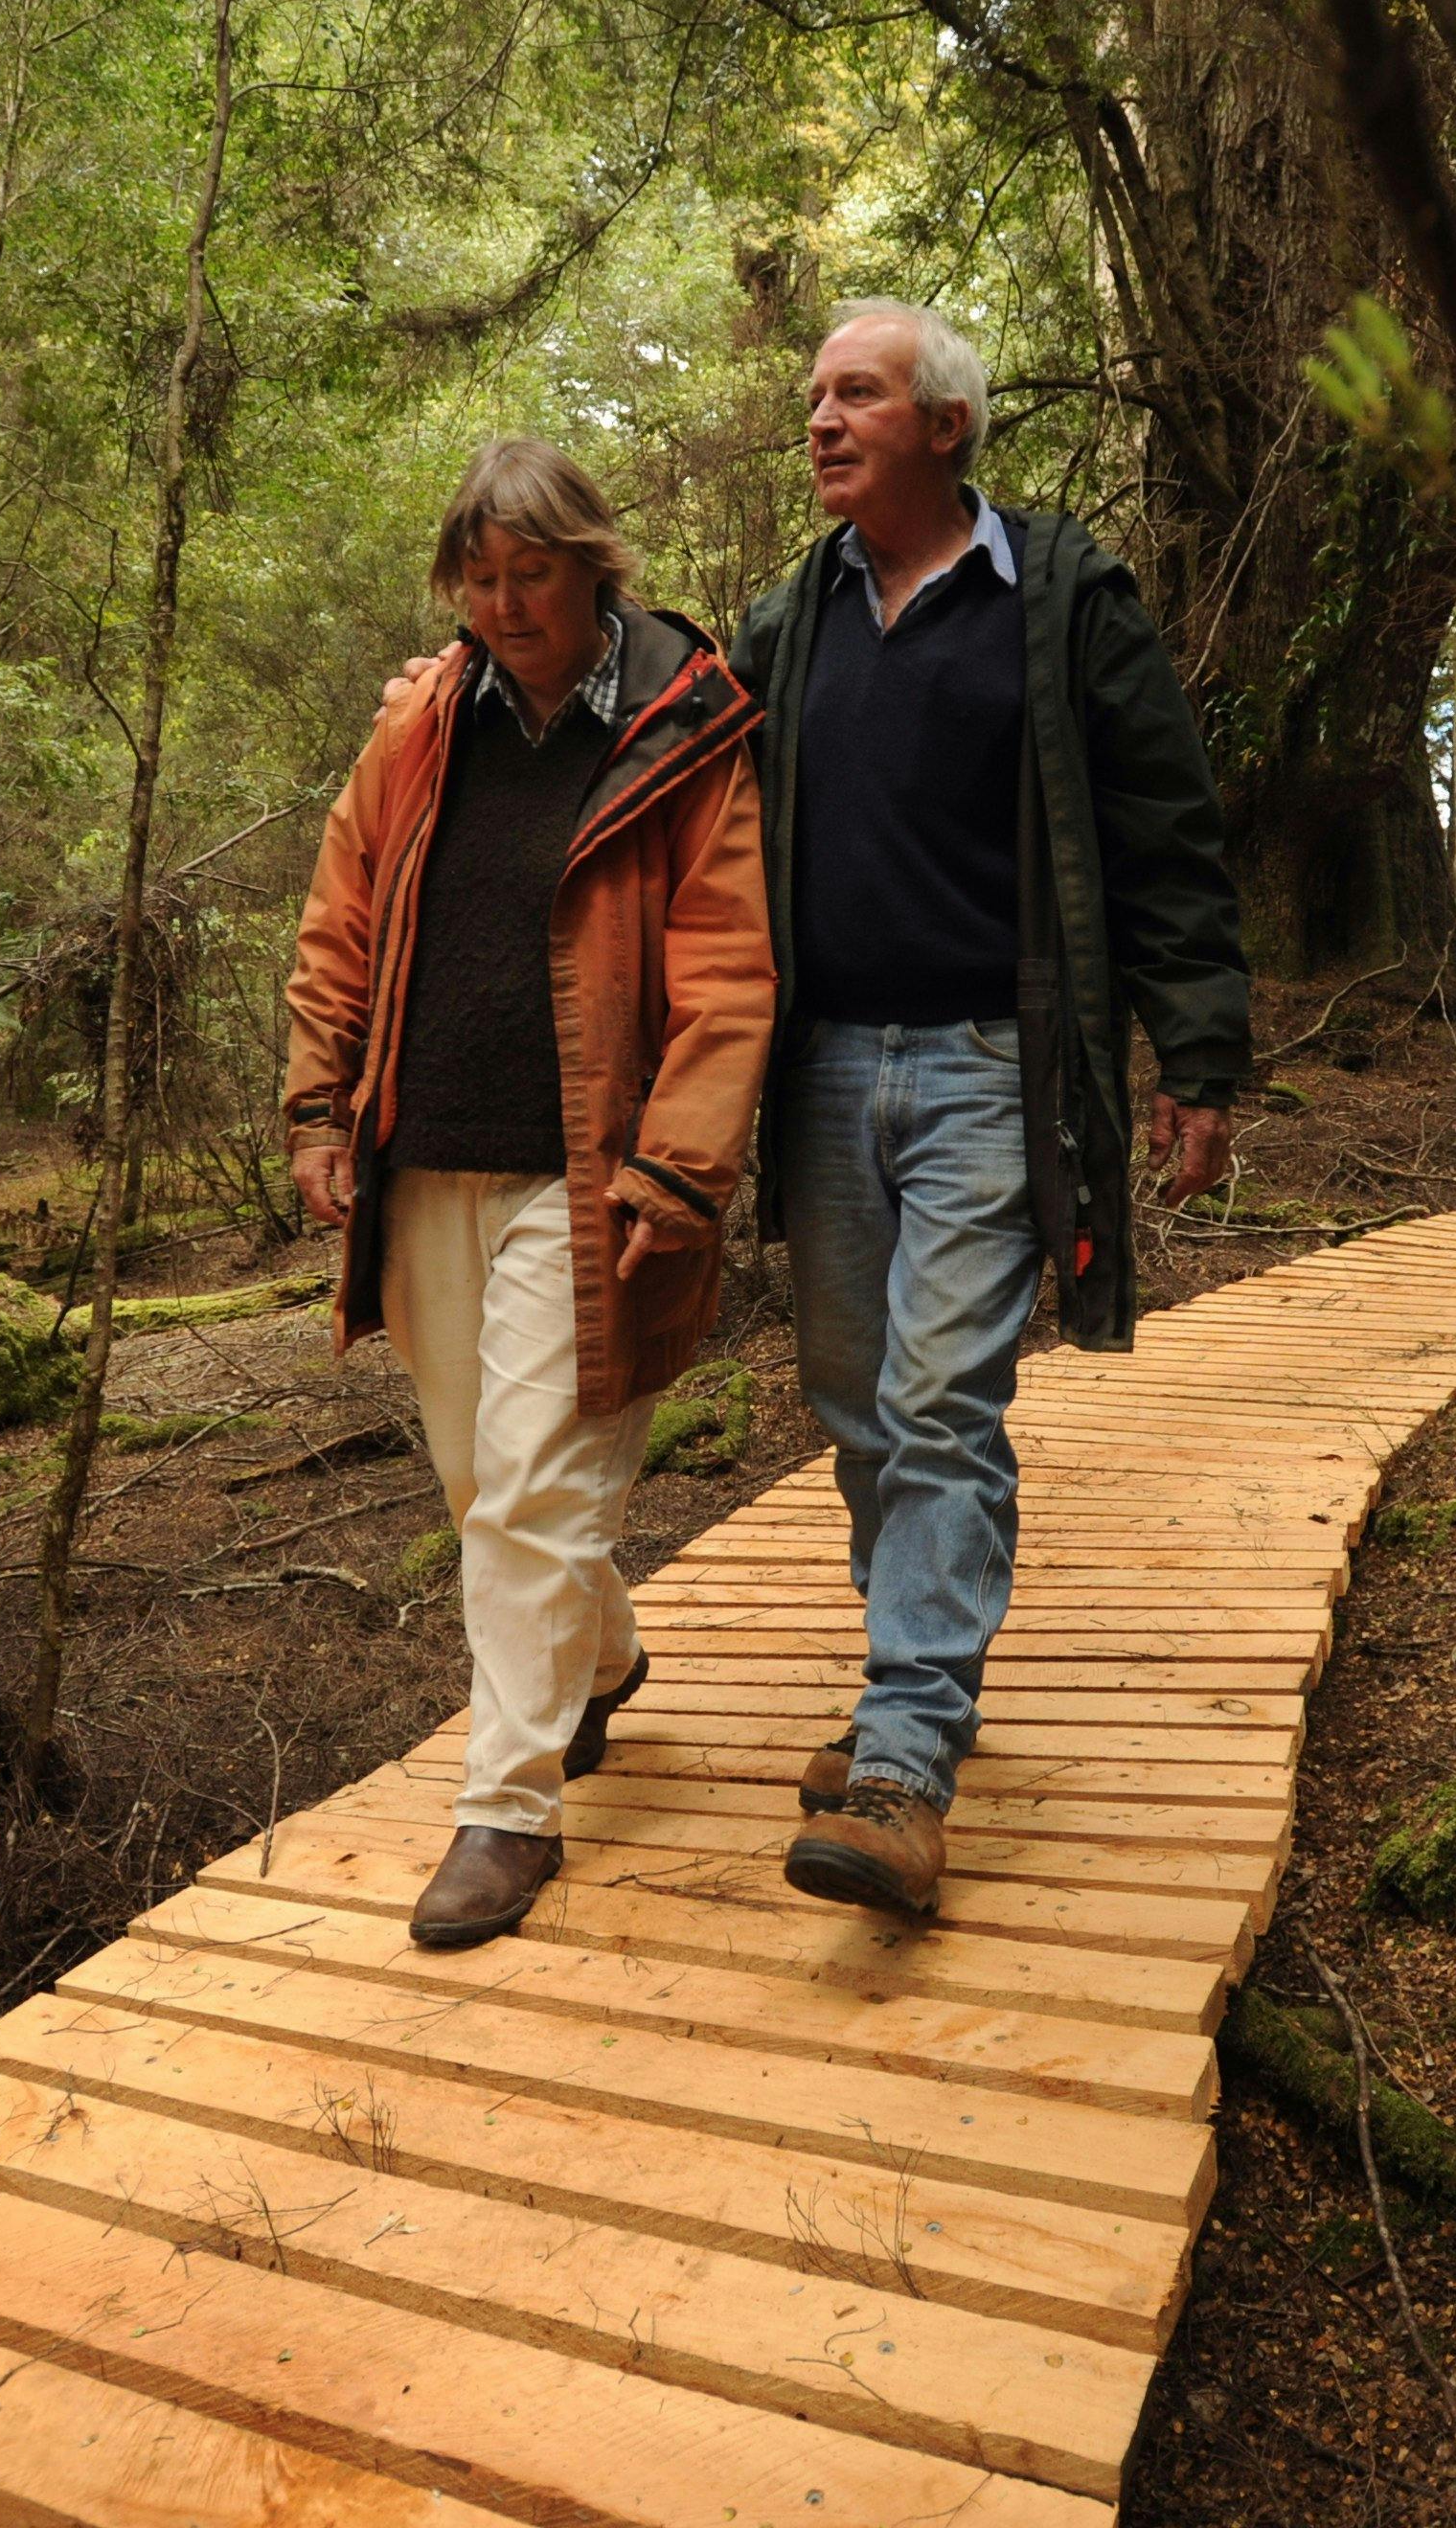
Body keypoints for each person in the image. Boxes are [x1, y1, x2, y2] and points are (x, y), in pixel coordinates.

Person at [738, 299, 1252, 1919]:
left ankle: (903, 1758)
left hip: (985, 1066)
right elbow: (667, 739)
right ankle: (915, 1672)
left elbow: (1162, 828)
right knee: (855, 1403)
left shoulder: (1064, 602)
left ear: (945, 426)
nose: (821, 420)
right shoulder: (791, 620)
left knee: (943, 1392)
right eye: (816, 396)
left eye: (859, 396)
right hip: (820, 1069)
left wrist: (1200, 1051)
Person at [281, 440, 775, 1949]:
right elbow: (343, 912)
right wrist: (318, 1099)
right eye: (478, 580)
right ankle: (602, 1657)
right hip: (425, 1158)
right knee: (479, 1489)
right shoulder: (425, 725)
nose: (503, 605)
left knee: (534, 1494)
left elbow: (731, 970)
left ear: (591, 564)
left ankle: (507, 1809)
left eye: (531, 574)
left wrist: (681, 1168)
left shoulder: (687, 729)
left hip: (594, 1170)